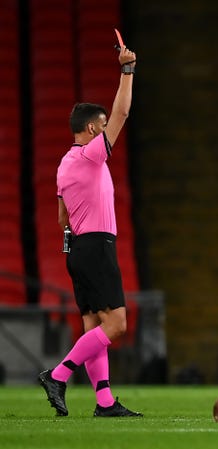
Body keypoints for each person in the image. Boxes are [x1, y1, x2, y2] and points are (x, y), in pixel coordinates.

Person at [38, 43, 141, 417]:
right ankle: (58, 375)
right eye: (100, 126)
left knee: (94, 327)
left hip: (78, 248)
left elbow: (61, 218)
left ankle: (104, 402)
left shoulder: (64, 165)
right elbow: (123, 111)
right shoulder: (91, 154)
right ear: (92, 128)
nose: (104, 129)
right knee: (116, 326)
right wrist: (127, 70)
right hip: (96, 246)